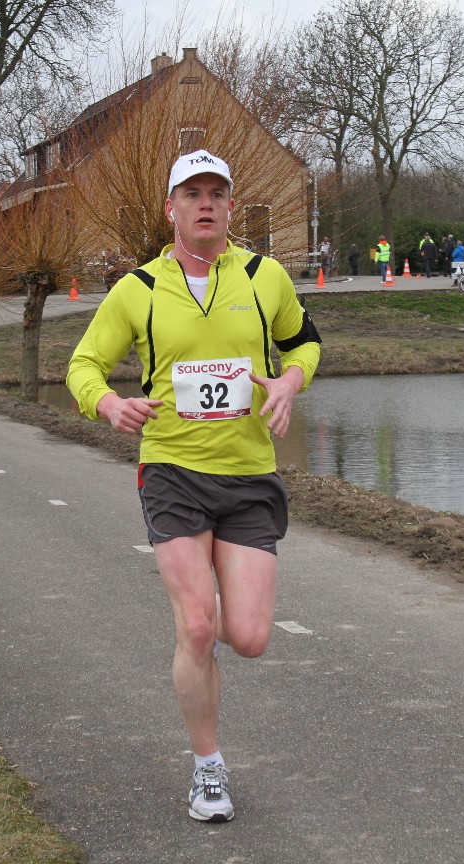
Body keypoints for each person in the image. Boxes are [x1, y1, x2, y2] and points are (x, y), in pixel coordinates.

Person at [66, 150, 321, 824]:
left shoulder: (265, 278)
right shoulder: (138, 289)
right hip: (173, 471)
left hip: (249, 475)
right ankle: (208, 768)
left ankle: (205, 637)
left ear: (231, 207)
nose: (205, 203)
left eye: (216, 193)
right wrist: (108, 404)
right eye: (191, 193)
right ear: (171, 209)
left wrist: (289, 382)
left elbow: (305, 344)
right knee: (200, 626)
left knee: (251, 636)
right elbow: (84, 365)